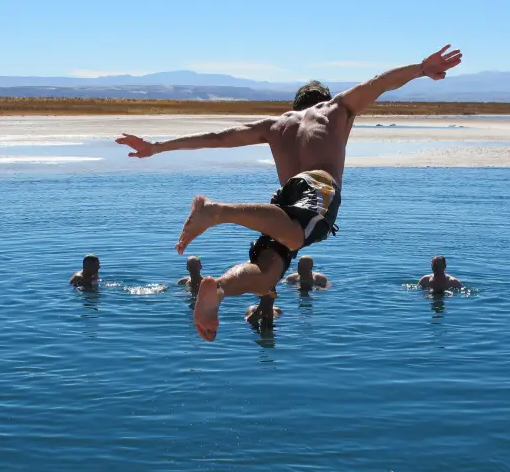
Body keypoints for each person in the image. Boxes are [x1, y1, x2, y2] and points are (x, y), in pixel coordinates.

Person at [116, 45, 462, 341]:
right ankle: (219, 211)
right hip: (315, 187)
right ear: (322, 100)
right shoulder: (336, 109)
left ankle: (218, 288)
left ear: (294, 105)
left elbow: (219, 137)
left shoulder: (275, 125)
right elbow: (378, 84)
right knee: (296, 236)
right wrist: (421, 69)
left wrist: (157, 147)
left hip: (284, 199)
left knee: (267, 274)